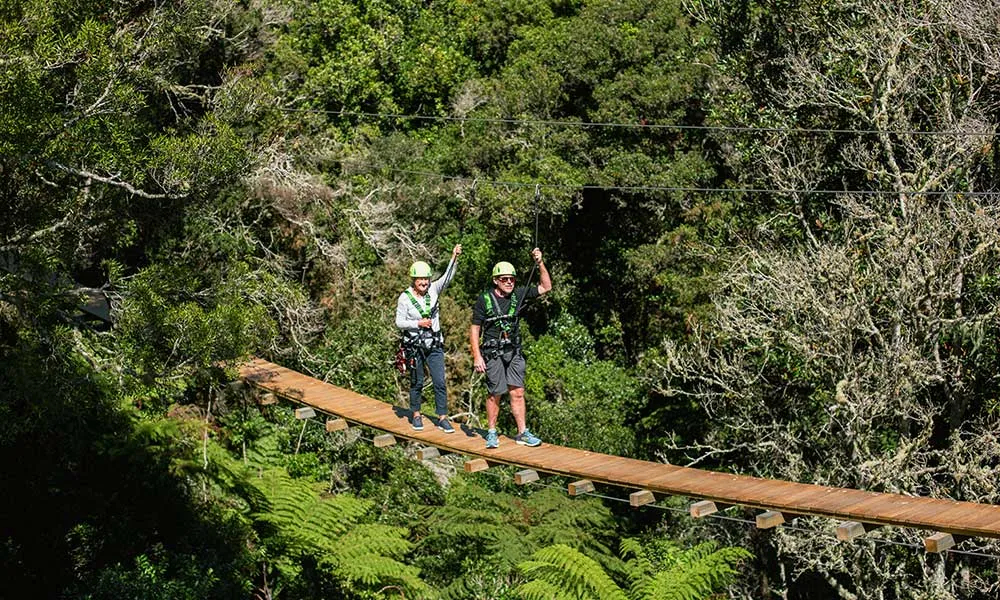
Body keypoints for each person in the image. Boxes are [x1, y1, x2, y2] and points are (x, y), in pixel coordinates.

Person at [470, 248, 551, 448]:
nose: (509, 282)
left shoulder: (519, 294)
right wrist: (477, 356)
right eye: (504, 279)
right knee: (495, 392)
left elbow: (546, 286)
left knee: (518, 392)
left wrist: (539, 263)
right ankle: (491, 432)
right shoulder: (485, 300)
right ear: (496, 280)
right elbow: (475, 329)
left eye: (512, 279)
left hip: (513, 350)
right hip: (492, 352)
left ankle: (522, 432)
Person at [396, 244, 462, 433]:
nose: (424, 282)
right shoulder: (405, 298)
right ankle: (416, 414)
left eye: (426, 278)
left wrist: (454, 258)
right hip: (415, 345)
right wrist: (418, 324)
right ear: (414, 280)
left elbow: (448, 277)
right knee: (417, 381)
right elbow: (399, 322)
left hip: (434, 344)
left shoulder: (434, 289)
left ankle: (442, 417)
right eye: (420, 279)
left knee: (440, 381)